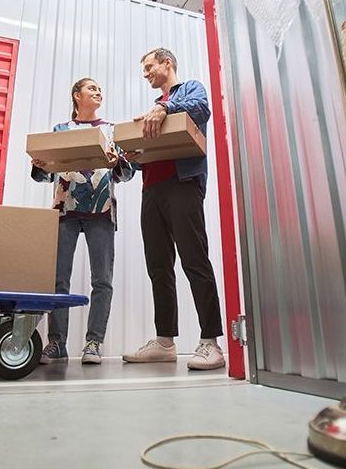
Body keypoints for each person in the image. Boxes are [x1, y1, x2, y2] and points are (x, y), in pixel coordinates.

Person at [122, 47, 225, 371]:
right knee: (158, 267)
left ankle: (211, 343)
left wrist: (164, 107)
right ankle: (165, 342)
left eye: (150, 66)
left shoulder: (189, 89)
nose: (146, 73)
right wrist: (130, 157)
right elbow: (150, 155)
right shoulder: (155, 109)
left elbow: (201, 108)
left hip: (183, 186)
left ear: (168, 63)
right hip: (151, 190)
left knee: (194, 260)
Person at [31, 77, 134, 365]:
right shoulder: (60, 130)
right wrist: (40, 165)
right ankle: (56, 343)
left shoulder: (111, 130)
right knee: (58, 280)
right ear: (77, 95)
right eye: (92, 88)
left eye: (100, 89)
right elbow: (46, 175)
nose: (98, 91)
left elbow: (126, 175)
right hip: (66, 210)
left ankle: (94, 343)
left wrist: (118, 164)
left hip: (101, 211)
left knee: (102, 281)